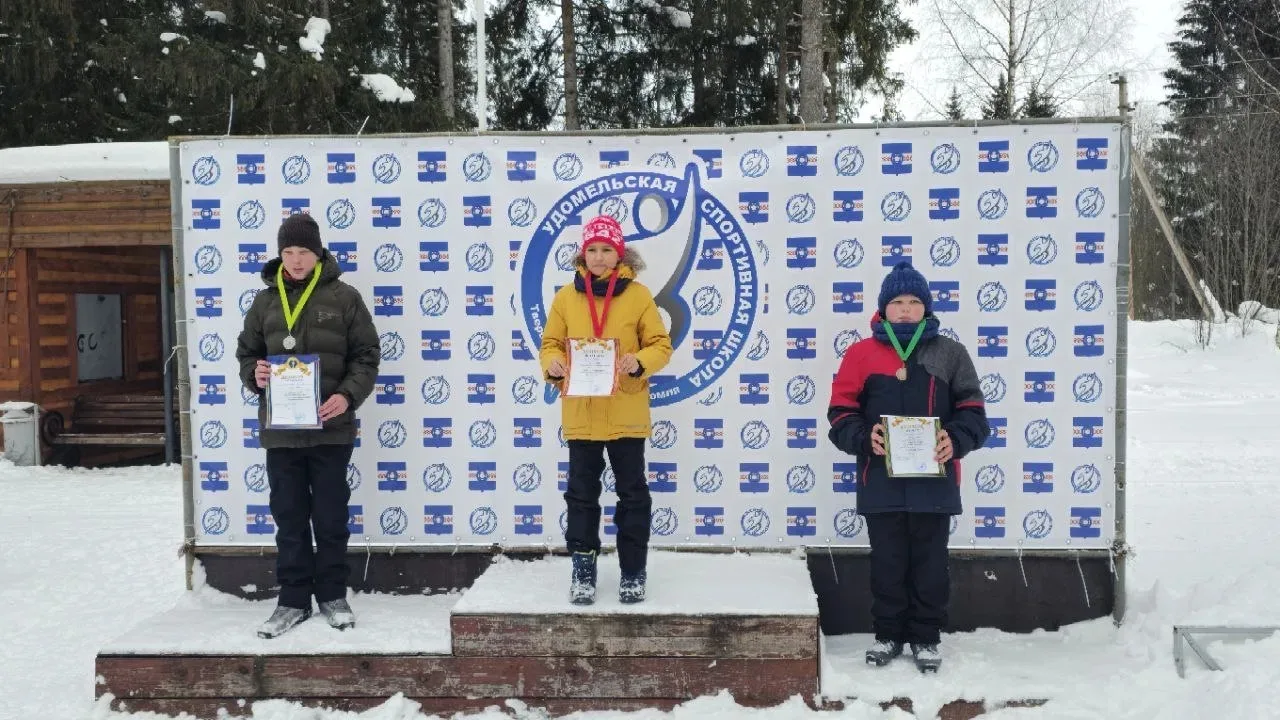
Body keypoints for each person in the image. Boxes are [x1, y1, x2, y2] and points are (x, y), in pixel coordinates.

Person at [826, 261, 989, 672]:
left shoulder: (950, 354)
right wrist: (864, 438)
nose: (905, 309)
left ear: (926, 308)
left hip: (935, 485)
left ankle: (926, 637)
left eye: (914, 301)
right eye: (897, 301)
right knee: (887, 564)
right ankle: (887, 634)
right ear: (883, 308)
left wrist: (955, 439)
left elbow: (974, 412)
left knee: (931, 567)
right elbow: (840, 413)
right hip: (880, 483)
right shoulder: (860, 354)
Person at [236, 213, 380, 639]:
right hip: (281, 433)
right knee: (289, 518)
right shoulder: (264, 302)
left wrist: (347, 396)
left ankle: (333, 596)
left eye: (303, 251)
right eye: (288, 251)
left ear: (318, 254)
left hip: (330, 429)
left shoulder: (345, 297)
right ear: (280, 254)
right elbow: (247, 354)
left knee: (331, 517)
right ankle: (293, 600)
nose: (296, 260)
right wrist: (255, 374)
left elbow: (367, 355)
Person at [540, 215, 673, 605]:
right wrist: (552, 364)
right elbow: (550, 344)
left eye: (606, 250)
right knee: (581, 495)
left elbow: (660, 344)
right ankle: (583, 568)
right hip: (581, 414)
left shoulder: (639, 296)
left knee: (633, 494)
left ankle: (633, 570)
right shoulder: (566, 298)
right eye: (592, 250)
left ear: (620, 254)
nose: (598, 257)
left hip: (625, 413)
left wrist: (639, 361)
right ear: (583, 254)